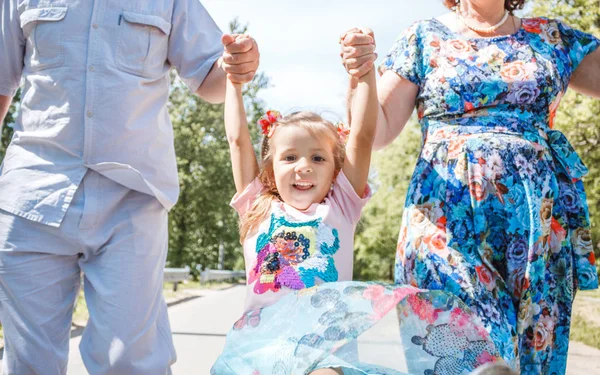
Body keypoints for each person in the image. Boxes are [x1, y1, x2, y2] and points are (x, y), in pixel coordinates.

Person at [210, 35, 500, 375]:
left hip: (325, 346)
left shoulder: (340, 206)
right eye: (289, 157)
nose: (303, 166)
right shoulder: (256, 206)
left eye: (317, 158)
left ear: (335, 171)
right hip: (262, 345)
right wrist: (234, 82)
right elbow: (236, 140)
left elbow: (362, 135)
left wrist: (363, 73)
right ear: (270, 171)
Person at [341, 0, 599, 374]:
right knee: (461, 355)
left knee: (531, 360)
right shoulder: (423, 38)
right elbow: (376, 133)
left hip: (537, 232)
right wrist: (360, 74)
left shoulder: (553, 38)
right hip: (445, 222)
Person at [0, 1, 259, 374]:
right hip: (31, 196)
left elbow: (210, 79)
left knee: (131, 362)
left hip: (132, 199)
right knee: (28, 365)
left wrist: (235, 64)